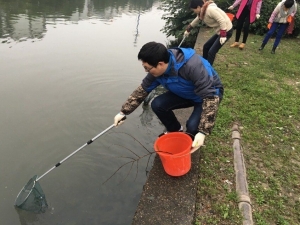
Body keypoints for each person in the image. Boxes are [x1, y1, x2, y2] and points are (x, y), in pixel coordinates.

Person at [113, 42, 224, 152]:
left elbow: (211, 97)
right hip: (185, 93)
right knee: (157, 104)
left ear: (160, 64)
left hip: (205, 96)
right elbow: (142, 90)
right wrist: (123, 112)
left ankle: (192, 138)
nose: (146, 71)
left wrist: (203, 131)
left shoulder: (192, 66)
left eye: (148, 68)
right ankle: (175, 130)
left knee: (193, 128)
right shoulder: (156, 71)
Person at [184, 0, 233, 66]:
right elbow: (196, 20)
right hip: (220, 31)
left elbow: (222, 21)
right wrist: (188, 29)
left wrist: (223, 35)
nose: (194, 12)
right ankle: (204, 64)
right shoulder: (202, 12)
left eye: (193, 10)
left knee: (212, 52)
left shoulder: (210, 10)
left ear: (198, 7)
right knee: (206, 46)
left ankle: (209, 71)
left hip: (226, 30)